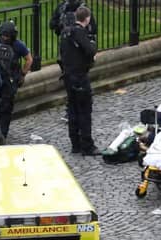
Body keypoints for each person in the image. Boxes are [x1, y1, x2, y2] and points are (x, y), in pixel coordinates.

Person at [59, 6, 99, 155]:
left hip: (68, 77)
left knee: (72, 110)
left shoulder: (65, 33)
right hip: (80, 77)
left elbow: (62, 54)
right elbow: (90, 50)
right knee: (84, 111)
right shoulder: (79, 32)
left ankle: (75, 144)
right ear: (87, 19)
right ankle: (87, 145)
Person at [0, 21, 33, 138]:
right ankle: (2, 125)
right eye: (4, 35)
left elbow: (29, 59)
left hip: (10, 80)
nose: (5, 38)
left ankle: (3, 133)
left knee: (6, 107)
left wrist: (22, 73)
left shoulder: (18, 45)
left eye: (8, 36)